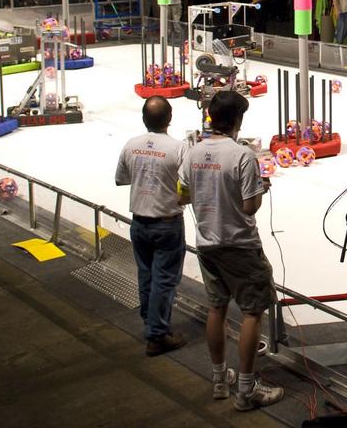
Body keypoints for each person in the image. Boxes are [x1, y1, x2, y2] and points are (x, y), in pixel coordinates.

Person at [177, 91, 283, 409]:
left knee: (216, 308)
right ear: (237, 120)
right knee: (252, 311)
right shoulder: (242, 156)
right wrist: (260, 189)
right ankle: (247, 390)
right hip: (240, 245)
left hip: (207, 243)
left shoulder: (193, 152)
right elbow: (249, 207)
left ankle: (220, 379)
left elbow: (182, 194)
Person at [114, 97, 189, 355]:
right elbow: (187, 186)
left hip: (139, 222)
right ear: (169, 118)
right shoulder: (179, 149)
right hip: (167, 224)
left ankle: (151, 322)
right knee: (165, 279)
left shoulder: (131, 145)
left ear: (144, 119)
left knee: (146, 275)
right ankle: (156, 335)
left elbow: (121, 179)